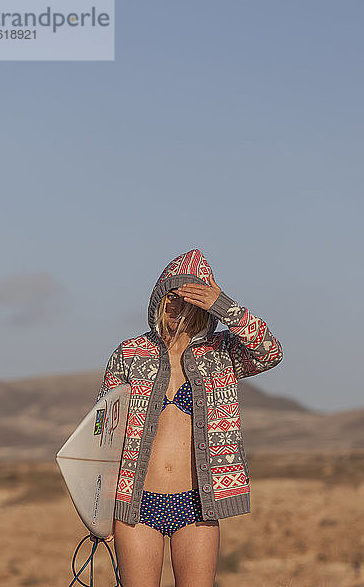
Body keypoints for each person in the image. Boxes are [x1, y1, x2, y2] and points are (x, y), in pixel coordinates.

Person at [95, 249, 283, 587]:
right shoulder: (128, 353)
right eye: (170, 296)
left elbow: (269, 352)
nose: (174, 305)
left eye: (186, 298)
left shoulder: (221, 352)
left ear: (202, 304)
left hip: (197, 506)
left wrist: (224, 305)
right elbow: (101, 435)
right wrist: (95, 510)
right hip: (134, 507)